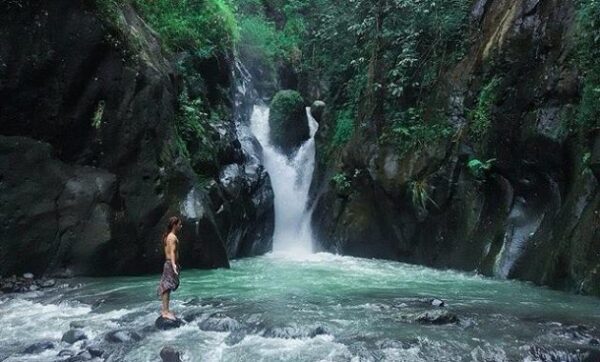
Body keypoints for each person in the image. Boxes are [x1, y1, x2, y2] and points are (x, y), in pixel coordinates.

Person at [157, 216, 182, 320]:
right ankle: (165, 311)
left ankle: (165, 310)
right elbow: (172, 252)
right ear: (174, 225)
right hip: (170, 264)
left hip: (168, 264)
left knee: (166, 287)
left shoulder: (169, 236)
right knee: (167, 288)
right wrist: (174, 264)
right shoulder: (172, 237)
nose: (181, 226)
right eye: (179, 224)